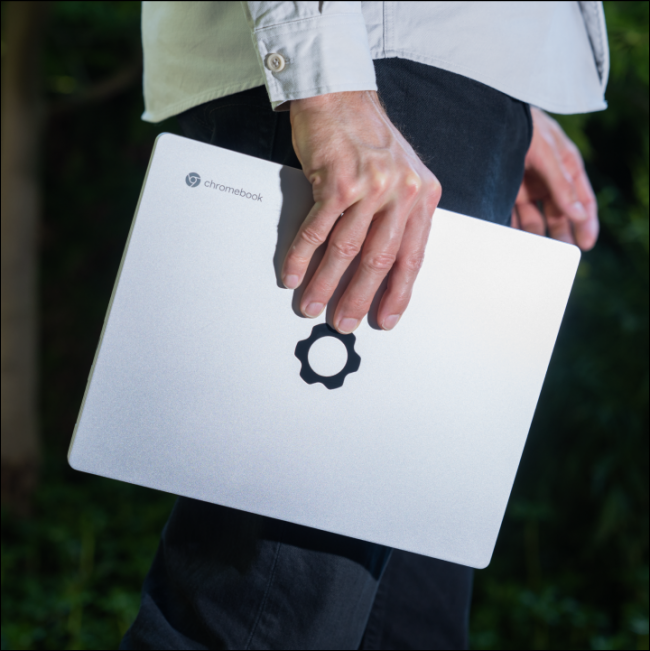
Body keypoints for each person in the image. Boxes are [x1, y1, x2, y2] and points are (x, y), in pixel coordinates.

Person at [121, 2, 608, 649]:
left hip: (437, 79)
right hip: (370, 69)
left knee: (408, 622)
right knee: (264, 615)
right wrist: (328, 83)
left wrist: (510, 84)